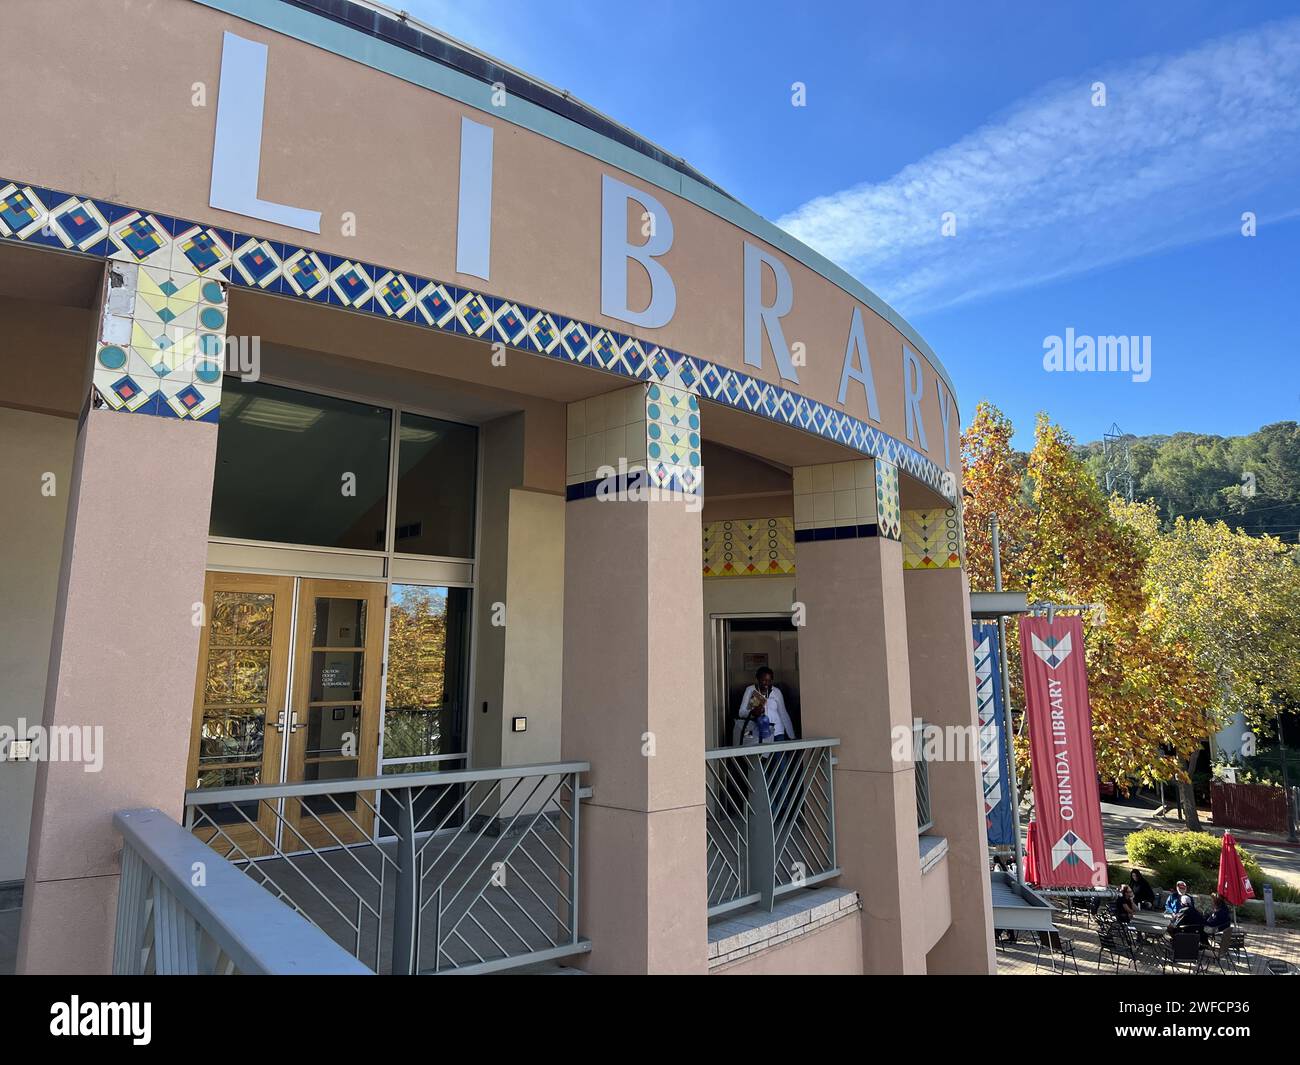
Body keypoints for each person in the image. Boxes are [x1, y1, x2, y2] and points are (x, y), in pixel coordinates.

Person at [735, 667, 795, 746]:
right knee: (761, 757)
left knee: (780, 758)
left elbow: (783, 713)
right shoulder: (750, 690)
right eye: (763, 680)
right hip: (757, 732)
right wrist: (753, 712)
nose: (766, 683)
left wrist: (792, 736)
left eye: (769, 681)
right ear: (757, 679)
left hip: (777, 732)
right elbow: (741, 713)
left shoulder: (776, 692)